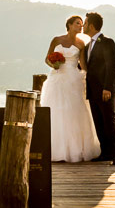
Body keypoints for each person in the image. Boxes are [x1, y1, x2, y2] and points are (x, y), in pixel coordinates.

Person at [40, 15, 101, 162]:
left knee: (75, 112)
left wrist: (91, 78)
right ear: (69, 24)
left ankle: (76, 149)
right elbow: (47, 59)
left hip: (74, 79)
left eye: (81, 24)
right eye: (77, 23)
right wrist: (54, 64)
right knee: (56, 112)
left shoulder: (81, 44)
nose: (80, 26)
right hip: (57, 78)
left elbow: (83, 65)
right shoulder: (57, 40)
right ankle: (57, 150)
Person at [82, 11, 115, 165]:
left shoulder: (107, 42)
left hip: (105, 90)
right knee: (98, 122)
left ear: (91, 25)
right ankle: (105, 153)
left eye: (84, 23)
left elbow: (112, 66)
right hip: (92, 89)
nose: (83, 26)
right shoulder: (87, 45)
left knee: (109, 121)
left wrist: (107, 88)